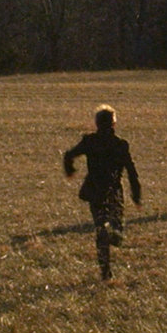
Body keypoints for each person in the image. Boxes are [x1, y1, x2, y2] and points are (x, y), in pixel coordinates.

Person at [63, 105, 142, 281]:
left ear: (97, 124)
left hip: (95, 190)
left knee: (100, 227)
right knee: (117, 231)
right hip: (113, 191)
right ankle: (111, 232)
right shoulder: (120, 145)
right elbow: (131, 172)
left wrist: (70, 170)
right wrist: (136, 195)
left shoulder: (90, 141)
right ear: (114, 124)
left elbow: (69, 155)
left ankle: (105, 271)